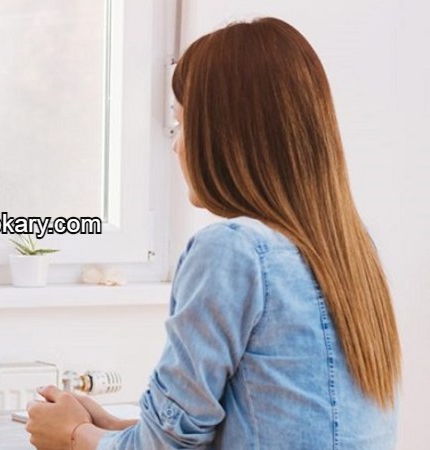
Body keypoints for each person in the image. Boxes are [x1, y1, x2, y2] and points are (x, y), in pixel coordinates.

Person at [26, 17, 400, 449]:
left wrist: (72, 435)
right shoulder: (351, 247)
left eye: (181, 123)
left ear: (225, 134)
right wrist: (111, 427)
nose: (176, 144)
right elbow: (270, 425)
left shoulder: (232, 250)